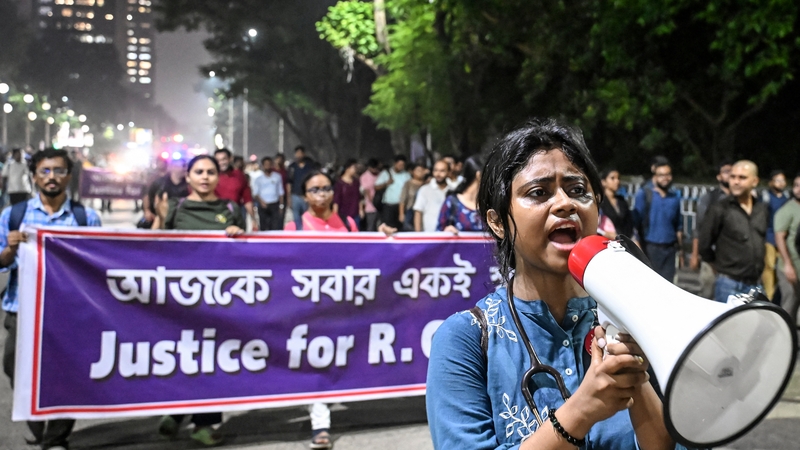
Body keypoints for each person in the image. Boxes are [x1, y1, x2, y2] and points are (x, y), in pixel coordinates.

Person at [427, 118, 680, 449]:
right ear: (498, 222)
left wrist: (638, 380)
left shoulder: (637, 321)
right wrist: (580, 412)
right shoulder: (465, 340)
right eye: (539, 193)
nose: (565, 204)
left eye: (578, 191)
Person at [284, 170, 394, 449]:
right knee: (316, 361)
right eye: (314, 189)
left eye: (325, 188)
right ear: (303, 195)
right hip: (310, 310)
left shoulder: (347, 223)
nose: (321, 194)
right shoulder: (294, 227)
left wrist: (382, 239)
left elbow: (362, 256)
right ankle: (320, 424)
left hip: (344, 308)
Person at [1, 148, 102, 450]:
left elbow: (99, 263)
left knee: (68, 375)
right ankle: (38, 424)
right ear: (34, 177)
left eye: (59, 171)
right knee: (15, 368)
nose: (52, 177)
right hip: (22, 309)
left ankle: (57, 437)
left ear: (69, 176)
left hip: (69, 313)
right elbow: (1, 262)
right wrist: (10, 248)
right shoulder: (14, 215)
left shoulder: (86, 217)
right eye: (44, 171)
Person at [152, 155, 243, 446]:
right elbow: (152, 246)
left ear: (219, 177)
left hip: (220, 298)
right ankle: (176, 412)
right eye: (199, 171)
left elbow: (248, 254)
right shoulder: (175, 207)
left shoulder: (231, 209)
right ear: (188, 176)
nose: (205, 177)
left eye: (211, 172)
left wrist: (239, 234)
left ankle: (203, 423)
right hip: (182, 298)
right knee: (183, 357)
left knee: (213, 360)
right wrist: (159, 218)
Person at [698, 161, 767, 303]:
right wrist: (717, 267)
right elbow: (704, 244)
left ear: (755, 181)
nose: (736, 182)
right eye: (733, 177)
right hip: (729, 284)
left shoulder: (761, 209)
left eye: (742, 177)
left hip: (755, 283)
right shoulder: (719, 209)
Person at [633, 158, 683, 281]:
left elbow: (678, 226)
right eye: (661, 175)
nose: (665, 178)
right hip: (650, 248)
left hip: (670, 250)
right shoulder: (644, 194)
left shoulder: (674, 198)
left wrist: (681, 250)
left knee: (668, 285)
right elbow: (635, 222)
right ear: (655, 177)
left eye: (668, 174)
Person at [689, 161, 732, 272]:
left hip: (736, 257)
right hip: (712, 256)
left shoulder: (743, 199)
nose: (730, 174)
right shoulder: (709, 198)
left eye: (733, 171)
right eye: (726, 171)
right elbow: (698, 227)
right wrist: (695, 254)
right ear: (718, 176)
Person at [775, 173, 800, 326]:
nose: (798, 189)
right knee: (789, 307)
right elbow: (779, 237)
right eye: (796, 185)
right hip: (790, 268)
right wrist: (788, 265)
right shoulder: (787, 209)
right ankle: (785, 336)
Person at [761, 170, 790, 301]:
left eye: (782, 180)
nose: (781, 183)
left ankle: (778, 294)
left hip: (783, 236)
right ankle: (769, 295)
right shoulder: (766, 197)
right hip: (770, 235)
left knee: (780, 267)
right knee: (769, 266)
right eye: (777, 180)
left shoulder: (787, 198)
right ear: (771, 182)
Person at [436, 156, 483, 233]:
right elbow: (438, 232)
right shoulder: (452, 202)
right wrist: (446, 232)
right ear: (479, 175)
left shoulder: (488, 205)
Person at [141, 159, 189, 228]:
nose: (185, 169)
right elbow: (148, 196)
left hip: (180, 219)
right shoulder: (160, 183)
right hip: (159, 218)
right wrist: (147, 211)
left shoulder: (188, 184)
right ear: (173, 167)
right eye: (183, 166)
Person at [598, 168, 635, 240]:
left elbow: (629, 224)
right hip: (605, 241)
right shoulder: (599, 202)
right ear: (603, 182)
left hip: (623, 241)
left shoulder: (622, 201)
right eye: (612, 178)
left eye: (618, 178)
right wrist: (606, 233)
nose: (617, 181)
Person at [413, 160, 450, 232]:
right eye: (436, 170)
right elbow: (418, 212)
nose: (438, 174)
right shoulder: (424, 190)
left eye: (442, 171)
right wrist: (418, 234)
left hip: (449, 235)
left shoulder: (453, 190)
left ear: (448, 172)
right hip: (430, 235)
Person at [375, 155, 410, 229]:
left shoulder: (406, 175)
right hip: (389, 206)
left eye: (402, 165)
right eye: (399, 164)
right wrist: (387, 183)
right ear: (395, 163)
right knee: (388, 227)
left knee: (400, 227)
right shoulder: (386, 173)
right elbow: (376, 187)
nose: (401, 167)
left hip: (401, 206)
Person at [287, 146, 318, 229]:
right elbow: (289, 183)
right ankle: (298, 233)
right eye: (297, 153)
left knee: (307, 217)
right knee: (296, 218)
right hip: (295, 196)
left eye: (300, 153)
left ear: (304, 154)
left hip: (307, 196)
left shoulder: (310, 166)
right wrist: (289, 198)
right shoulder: (292, 167)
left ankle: (306, 232)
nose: (299, 155)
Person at [253, 156, 286, 231]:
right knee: (264, 227)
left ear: (272, 165)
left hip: (274, 204)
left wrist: (281, 206)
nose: (267, 166)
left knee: (275, 226)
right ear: (262, 166)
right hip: (263, 205)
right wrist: (262, 202)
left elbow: (281, 192)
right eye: (265, 164)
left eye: (269, 164)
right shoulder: (258, 179)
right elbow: (256, 193)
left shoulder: (277, 177)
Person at [333, 159, 363, 229]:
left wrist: (361, 209)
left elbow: (359, 197)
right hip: (343, 214)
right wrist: (335, 215)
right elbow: (336, 200)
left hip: (355, 213)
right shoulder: (339, 183)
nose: (355, 170)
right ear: (348, 168)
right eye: (354, 168)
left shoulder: (356, 182)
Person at [399, 164, 428, 231]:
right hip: (410, 210)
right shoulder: (408, 184)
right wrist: (401, 213)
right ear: (413, 172)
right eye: (418, 170)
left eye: (422, 171)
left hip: (423, 211)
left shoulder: (426, 185)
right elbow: (402, 199)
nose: (420, 173)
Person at [359, 159, 381, 231]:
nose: (375, 170)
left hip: (381, 205)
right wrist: (373, 201)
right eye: (373, 168)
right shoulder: (364, 177)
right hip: (370, 206)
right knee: (371, 227)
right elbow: (366, 190)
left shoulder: (380, 174)